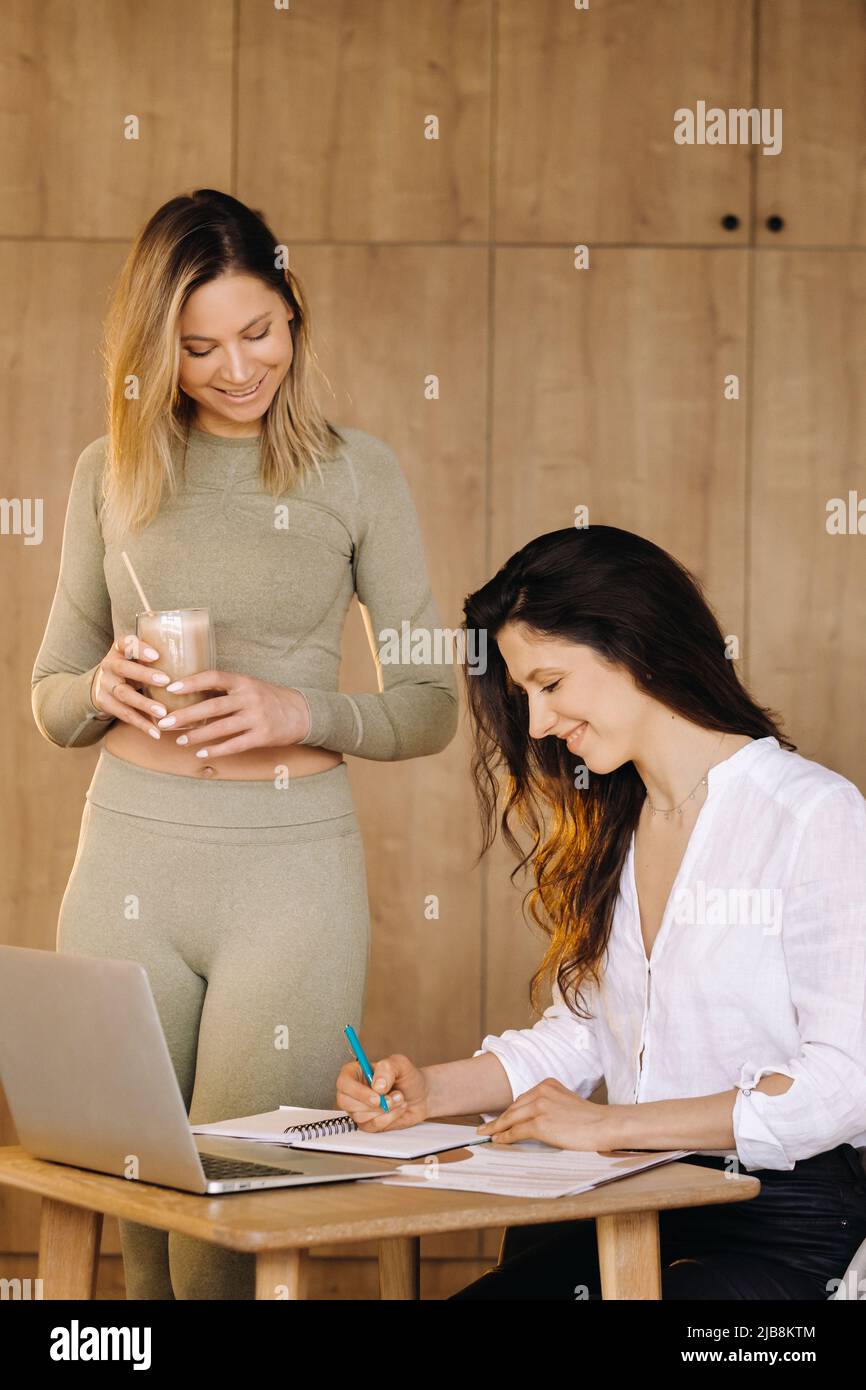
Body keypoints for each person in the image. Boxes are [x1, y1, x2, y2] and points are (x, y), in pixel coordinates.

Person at [31, 188, 458, 1299]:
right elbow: (47, 700)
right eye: (198, 346)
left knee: (233, 1206)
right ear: (153, 346)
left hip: (287, 875)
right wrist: (100, 684)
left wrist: (296, 712)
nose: (235, 369)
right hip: (125, 859)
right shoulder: (106, 472)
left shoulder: (358, 472)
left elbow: (427, 702)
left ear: (293, 316)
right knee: (134, 1204)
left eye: (258, 332)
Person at [336, 524, 866, 1299]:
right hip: (634, 1199)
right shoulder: (614, 822)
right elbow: (586, 1034)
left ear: (634, 643)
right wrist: (432, 1092)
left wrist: (611, 1127)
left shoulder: (814, 815)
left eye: (550, 685)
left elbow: (844, 1081)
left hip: (781, 1220)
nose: (540, 724)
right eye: (526, 696)